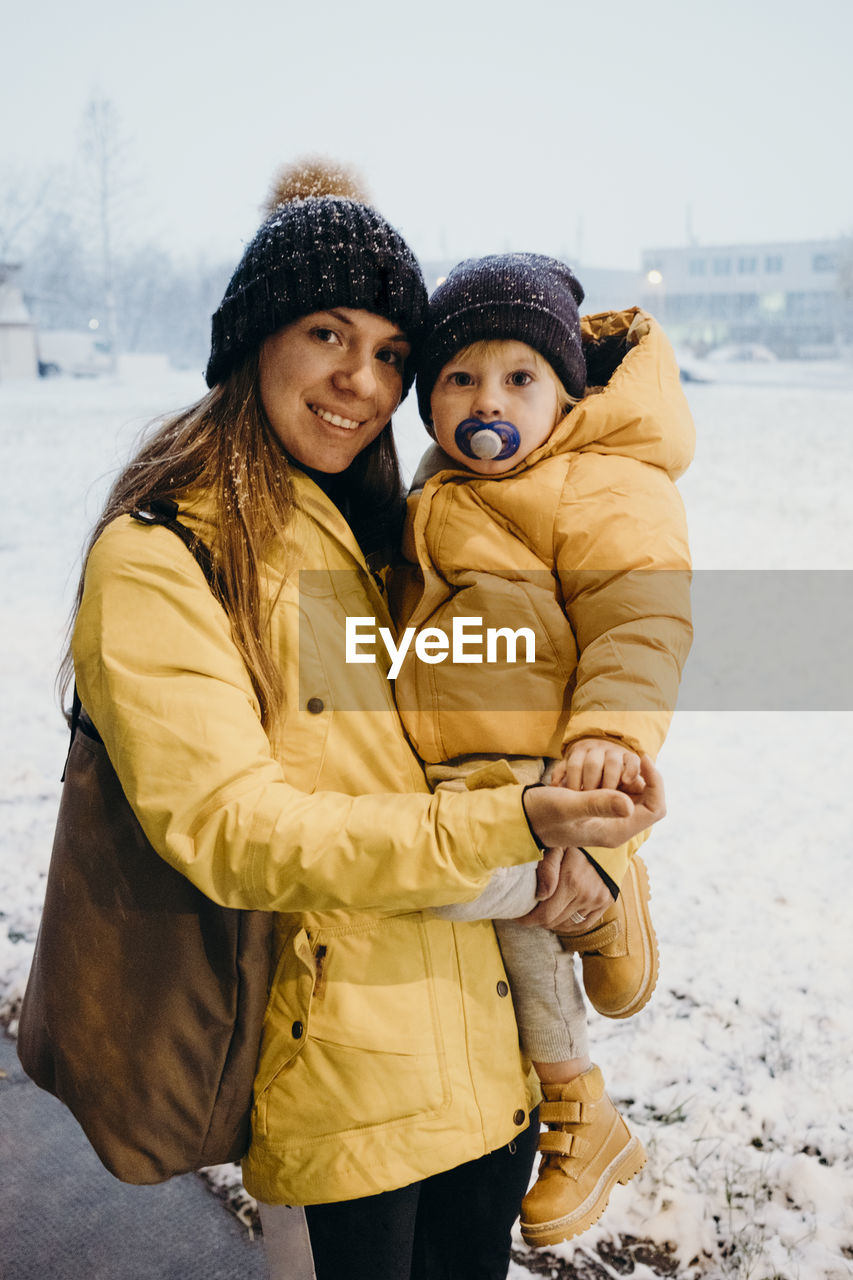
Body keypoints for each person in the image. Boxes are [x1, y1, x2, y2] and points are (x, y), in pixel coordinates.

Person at [64, 164, 666, 1280]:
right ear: (255, 338)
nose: (361, 379)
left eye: (391, 351)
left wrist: (589, 858)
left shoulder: (385, 534)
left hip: (489, 1070)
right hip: (344, 1091)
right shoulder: (162, 556)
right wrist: (520, 840)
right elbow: (236, 830)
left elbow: (477, 739)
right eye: (327, 333)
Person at [392, 253, 693, 1248]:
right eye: (459, 379)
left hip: (546, 770)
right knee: (511, 940)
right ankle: (582, 1109)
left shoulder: (595, 480)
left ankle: (604, 886)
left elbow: (639, 617)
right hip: (466, 776)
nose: (489, 401)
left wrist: (604, 735)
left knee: (425, 879)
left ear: (564, 393)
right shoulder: (440, 490)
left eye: (519, 377)